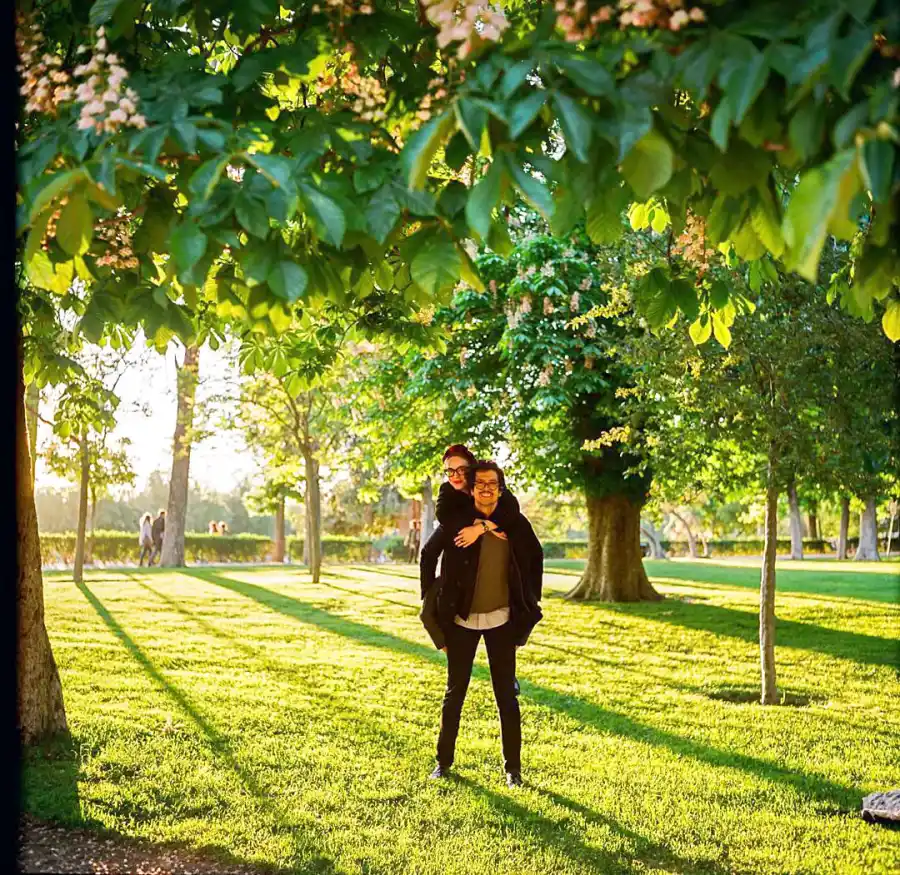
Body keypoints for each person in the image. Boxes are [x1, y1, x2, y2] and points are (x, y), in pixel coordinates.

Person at [420, 457, 543, 789]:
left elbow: (536, 558)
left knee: (506, 696)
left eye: (493, 484)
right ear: (471, 488)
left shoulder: (514, 524)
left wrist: (530, 602)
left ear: (500, 489)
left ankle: (513, 770)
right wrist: (431, 600)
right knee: (454, 693)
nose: (486, 489)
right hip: (461, 621)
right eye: (480, 484)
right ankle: (443, 764)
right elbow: (428, 555)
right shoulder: (458, 524)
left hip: (502, 620)